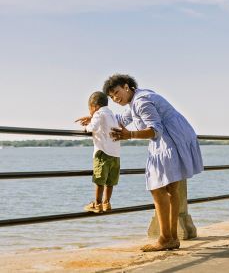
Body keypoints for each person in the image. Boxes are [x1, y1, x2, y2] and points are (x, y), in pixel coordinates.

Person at [104, 73, 203, 251]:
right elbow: (122, 119)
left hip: (169, 141)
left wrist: (130, 134)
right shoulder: (137, 99)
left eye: (116, 92)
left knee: (157, 189)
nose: (115, 98)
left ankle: (166, 238)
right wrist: (97, 117)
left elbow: (155, 129)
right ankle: (171, 238)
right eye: (111, 97)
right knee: (172, 189)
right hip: (176, 137)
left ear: (126, 87)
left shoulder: (141, 102)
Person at [76, 91, 121, 214]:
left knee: (99, 180)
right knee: (110, 181)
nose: (90, 112)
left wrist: (86, 127)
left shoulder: (98, 113)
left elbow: (93, 127)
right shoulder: (111, 114)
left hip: (103, 152)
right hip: (115, 154)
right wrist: (92, 119)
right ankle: (107, 203)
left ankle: (97, 204)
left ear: (94, 106)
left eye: (90, 109)